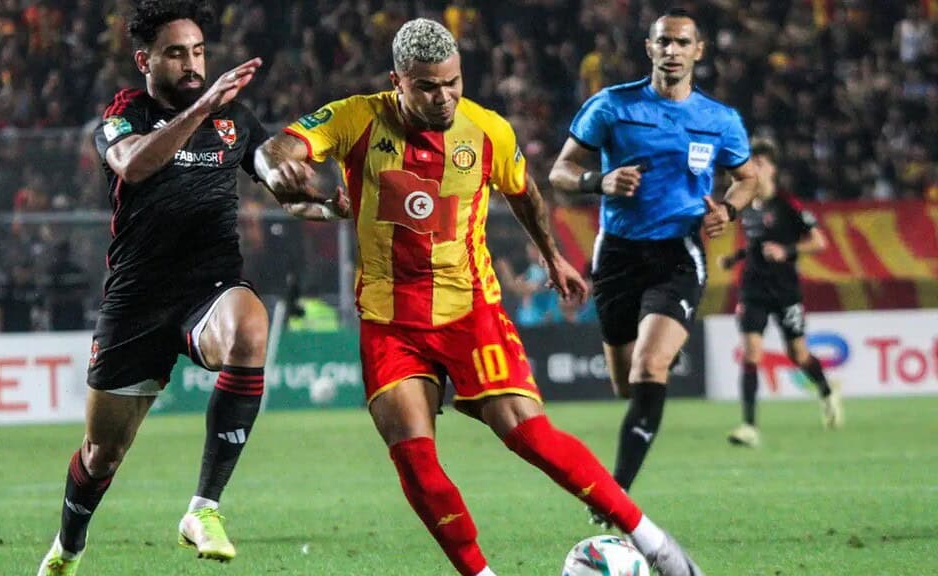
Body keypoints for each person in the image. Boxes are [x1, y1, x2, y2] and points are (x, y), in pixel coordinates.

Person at [257, 18, 704, 576]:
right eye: (426, 86)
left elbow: (525, 192)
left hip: (470, 311)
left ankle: (656, 543)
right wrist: (278, 170)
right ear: (397, 80)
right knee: (416, 460)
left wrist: (552, 254)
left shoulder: (487, 130)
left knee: (530, 434)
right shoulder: (358, 118)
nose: (443, 97)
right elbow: (276, 148)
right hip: (390, 322)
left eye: (453, 82)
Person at [37, 1, 280, 573]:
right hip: (137, 299)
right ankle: (69, 545)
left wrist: (312, 194)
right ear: (145, 60)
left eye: (197, 52)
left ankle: (203, 507)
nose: (192, 63)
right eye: (176, 53)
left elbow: (272, 169)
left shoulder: (236, 120)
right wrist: (201, 107)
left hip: (209, 286)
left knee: (250, 327)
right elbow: (134, 165)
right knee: (102, 455)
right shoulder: (123, 115)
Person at [548, 8, 759, 506]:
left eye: (682, 43)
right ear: (650, 48)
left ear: (698, 51)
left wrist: (726, 210)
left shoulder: (719, 120)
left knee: (647, 368)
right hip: (618, 253)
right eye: (663, 42)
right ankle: (662, 342)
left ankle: (616, 495)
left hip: (679, 252)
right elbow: (559, 172)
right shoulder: (612, 106)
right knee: (626, 384)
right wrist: (597, 181)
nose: (672, 51)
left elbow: (749, 178)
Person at [719, 137, 843, 447]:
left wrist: (787, 250)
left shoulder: (789, 205)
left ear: (772, 169)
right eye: (752, 163)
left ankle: (827, 392)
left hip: (785, 290)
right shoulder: (744, 204)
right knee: (751, 353)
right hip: (752, 289)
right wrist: (733, 260)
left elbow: (819, 242)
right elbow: (755, 246)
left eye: (760, 163)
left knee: (797, 355)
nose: (755, 169)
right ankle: (749, 426)